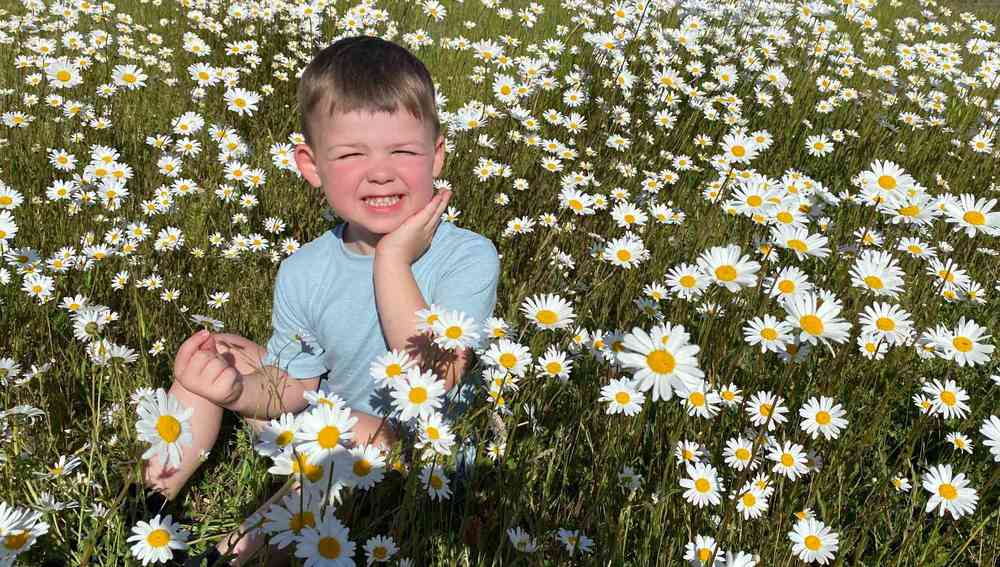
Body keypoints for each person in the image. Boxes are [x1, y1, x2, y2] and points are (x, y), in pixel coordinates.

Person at [141, 35, 500, 566]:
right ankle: (147, 504)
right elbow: (293, 387)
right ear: (312, 166)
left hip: (416, 458)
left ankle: (232, 554)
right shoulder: (304, 269)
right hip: (324, 423)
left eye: (402, 150)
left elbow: (432, 376)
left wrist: (392, 260)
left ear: (437, 155)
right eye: (352, 154)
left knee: (365, 436)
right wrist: (239, 391)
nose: (380, 171)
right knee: (221, 355)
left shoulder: (468, 256)